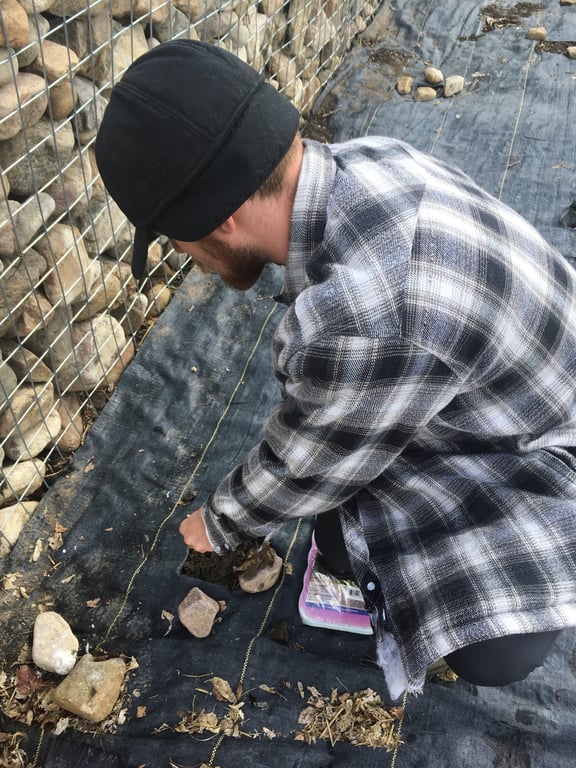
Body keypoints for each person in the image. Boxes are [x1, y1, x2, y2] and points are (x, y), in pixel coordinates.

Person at [95, 39, 576, 700]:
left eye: (178, 242)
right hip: (500, 391)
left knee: (494, 655)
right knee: (338, 515)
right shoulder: (369, 161)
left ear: (221, 222)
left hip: (542, 450)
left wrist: (219, 523)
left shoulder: (355, 315)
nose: (189, 258)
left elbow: (309, 461)